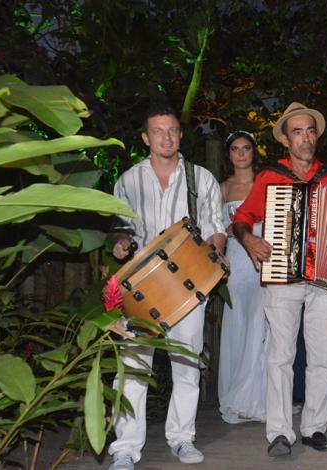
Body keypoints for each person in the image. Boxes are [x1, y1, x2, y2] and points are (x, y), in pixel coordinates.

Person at [232, 102, 327, 457]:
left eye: (310, 130)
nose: (305, 138)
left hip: (324, 281)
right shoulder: (270, 176)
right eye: (297, 131)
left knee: (324, 357)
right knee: (280, 356)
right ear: (285, 139)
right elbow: (242, 217)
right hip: (283, 277)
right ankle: (279, 433)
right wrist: (248, 238)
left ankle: (314, 427)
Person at [107, 104, 226, 470]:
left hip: (188, 286)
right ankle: (125, 448)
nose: (166, 137)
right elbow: (120, 228)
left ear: (180, 134)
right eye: (158, 131)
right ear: (145, 138)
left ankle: (181, 438)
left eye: (172, 130)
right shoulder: (128, 180)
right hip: (143, 288)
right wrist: (119, 243)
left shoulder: (200, 178)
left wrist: (215, 254)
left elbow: (216, 228)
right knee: (133, 365)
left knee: (187, 364)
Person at [218, 130, 268, 424]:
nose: (240, 153)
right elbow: (213, 225)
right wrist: (227, 232)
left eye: (246, 148)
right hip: (236, 263)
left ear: (253, 152)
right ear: (229, 154)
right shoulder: (223, 188)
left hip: (263, 259)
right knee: (239, 327)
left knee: (262, 329)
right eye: (235, 148)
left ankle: (258, 398)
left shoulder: (265, 182)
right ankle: (235, 397)